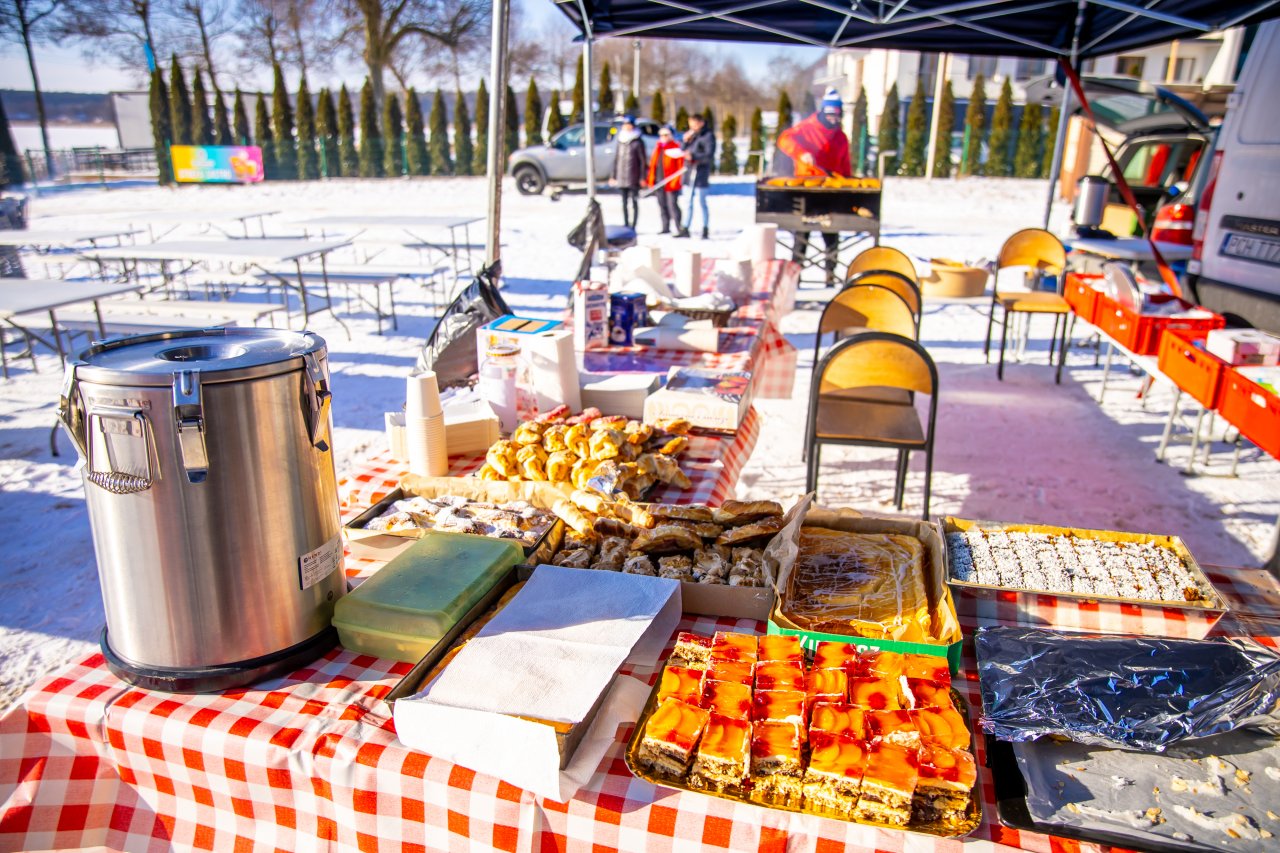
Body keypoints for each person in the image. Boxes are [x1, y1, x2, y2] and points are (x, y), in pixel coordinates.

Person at [776, 87, 852, 284]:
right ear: (823, 112)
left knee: (831, 235)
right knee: (802, 234)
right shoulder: (806, 128)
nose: (834, 119)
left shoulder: (841, 137)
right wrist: (801, 153)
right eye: (831, 115)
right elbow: (784, 140)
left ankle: (830, 274)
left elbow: (845, 166)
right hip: (807, 189)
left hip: (831, 191)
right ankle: (795, 276)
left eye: (837, 115)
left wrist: (847, 183)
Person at [679, 113, 716, 239]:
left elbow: (709, 155)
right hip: (689, 173)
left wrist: (694, 157)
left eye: (694, 124)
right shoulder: (691, 135)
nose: (692, 127)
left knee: (702, 202)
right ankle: (685, 227)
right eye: (690, 124)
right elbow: (683, 150)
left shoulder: (708, 136)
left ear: (701, 123)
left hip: (700, 174)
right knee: (687, 202)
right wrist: (685, 141)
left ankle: (705, 228)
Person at [646, 125, 685, 235]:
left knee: (672, 205)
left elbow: (680, 168)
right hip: (659, 181)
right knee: (662, 205)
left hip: (671, 182)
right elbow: (653, 165)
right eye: (661, 135)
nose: (663, 137)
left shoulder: (675, 148)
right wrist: (651, 180)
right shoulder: (658, 148)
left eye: (666, 135)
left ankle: (679, 227)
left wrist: (676, 181)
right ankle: (665, 227)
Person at [610, 115, 646, 229]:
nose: (627, 127)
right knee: (624, 202)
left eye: (629, 124)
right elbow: (616, 159)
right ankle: (626, 223)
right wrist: (613, 175)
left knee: (634, 201)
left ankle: (633, 225)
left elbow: (642, 161)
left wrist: (642, 177)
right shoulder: (620, 140)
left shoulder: (638, 141)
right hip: (622, 176)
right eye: (625, 124)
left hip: (633, 176)